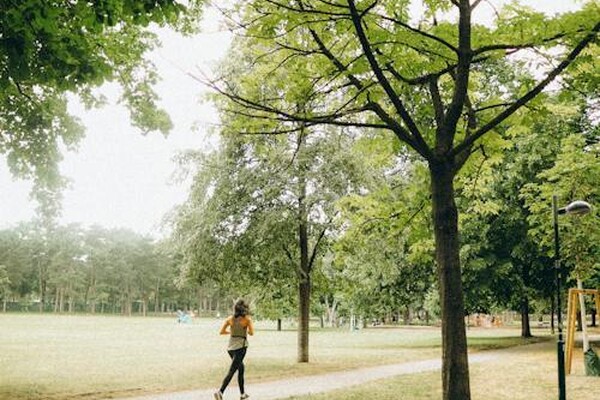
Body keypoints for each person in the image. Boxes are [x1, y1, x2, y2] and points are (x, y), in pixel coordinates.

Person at [214, 299, 254, 400]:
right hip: (241, 347)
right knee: (232, 370)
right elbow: (251, 333)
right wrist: (244, 331)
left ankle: (242, 394)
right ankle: (220, 391)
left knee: (241, 368)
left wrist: (232, 333)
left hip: (231, 348)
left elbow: (222, 332)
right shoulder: (247, 320)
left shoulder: (229, 319)